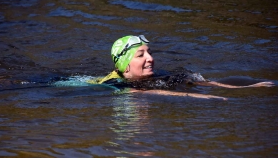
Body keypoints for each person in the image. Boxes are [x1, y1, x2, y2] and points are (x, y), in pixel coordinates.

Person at [95, 35, 274, 100]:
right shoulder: (120, 86)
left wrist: (250, 86)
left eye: (149, 53)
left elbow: (203, 83)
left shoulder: (158, 75)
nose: (150, 59)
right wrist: (204, 98)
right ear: (125, 68)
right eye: (141, 55)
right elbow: (157, 93)